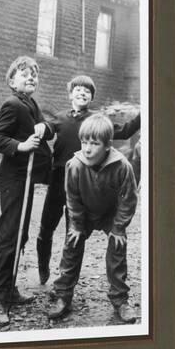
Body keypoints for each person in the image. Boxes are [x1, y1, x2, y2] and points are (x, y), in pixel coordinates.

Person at [36, 75, 141, 284]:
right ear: (70, 95)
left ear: (91, 98)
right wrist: (42, 127)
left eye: (87, 91)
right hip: (59, 178)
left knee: (74, 230)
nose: (82, 93)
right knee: (47, 226)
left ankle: (66, 277)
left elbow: (125, 130)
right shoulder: (59, 117)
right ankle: (43, 267)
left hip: (83, 180)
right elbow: (48, 130)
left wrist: (143, 113)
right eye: (78, 90)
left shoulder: (97, 121)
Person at [48, 113, 138, 323]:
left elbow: (129, 199)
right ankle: (63, 295)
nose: (87, 148)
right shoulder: (75, 165)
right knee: (71, 247)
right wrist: (77, 225)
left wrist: (118, 227)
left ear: (107, 145)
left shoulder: (122, 165)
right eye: (84, 142)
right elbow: (72, 197)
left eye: (94, 143)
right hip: (84, 213)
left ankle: (120, 299)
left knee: (118, 248)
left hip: (110, 214)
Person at [0, 56, 53, 327]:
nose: (31, 78)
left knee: (21, 234)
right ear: (12, 80)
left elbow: (45, 129)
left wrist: (44, 127)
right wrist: (21, 146)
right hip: (14, 179)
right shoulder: (12, 104)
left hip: (27, 179)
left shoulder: (31, 103)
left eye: (34, 75)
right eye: (24, 74)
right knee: (10, 235)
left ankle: (10, 286)